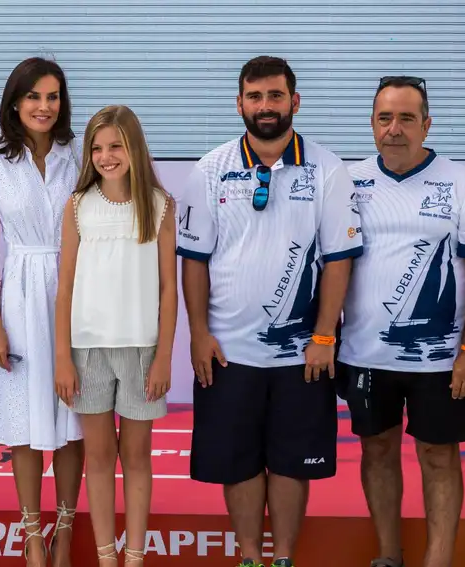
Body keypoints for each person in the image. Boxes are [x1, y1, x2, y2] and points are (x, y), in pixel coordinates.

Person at [176, 56, 363, 567]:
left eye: (275, 96)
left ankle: (283, 559)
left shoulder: (326, 168)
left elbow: (339, 260)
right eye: (254, 96)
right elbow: (194, 261)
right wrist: (198, 334)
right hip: (227, 351)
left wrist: (325, 333)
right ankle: (251, 558)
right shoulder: (211, 169)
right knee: (237, 465)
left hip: (302, 352)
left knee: (290, 464)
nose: (265, 106)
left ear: (294, 102)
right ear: (239, 103)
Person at [339, 76, 465, 567]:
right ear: (371, 125)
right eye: (385, 117)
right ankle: (389, 555)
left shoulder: (461, 182)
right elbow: (330, 266)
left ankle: (438, 560)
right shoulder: (350, 181)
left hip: (441, 360)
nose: (395, 128)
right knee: (378, 453)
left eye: (407, 118)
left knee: (438, 456)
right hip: (364, 353)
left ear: (426, 124)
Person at [0, 57, 85, 567]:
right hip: (17, 298)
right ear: (15, 102)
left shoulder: (79, 155)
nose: (43, 106)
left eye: (52, 97)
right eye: (34, 96)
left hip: (78, 294)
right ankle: (33, 536)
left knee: (73, 421)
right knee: (24, 424)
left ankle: (65, 531)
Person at [54, 104, 177, 566]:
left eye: (116, 146)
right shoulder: (77, 206)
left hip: (142, 350)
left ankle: (134, 556)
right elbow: (64, 286)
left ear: (134, 148)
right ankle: (107, 555)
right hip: (87, 352)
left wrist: (164, 356)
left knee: (137, 456)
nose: (106, 156)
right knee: (99, 457)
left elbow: (169, 289)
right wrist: (62, 358)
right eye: (98, 148)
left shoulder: (160, 207)